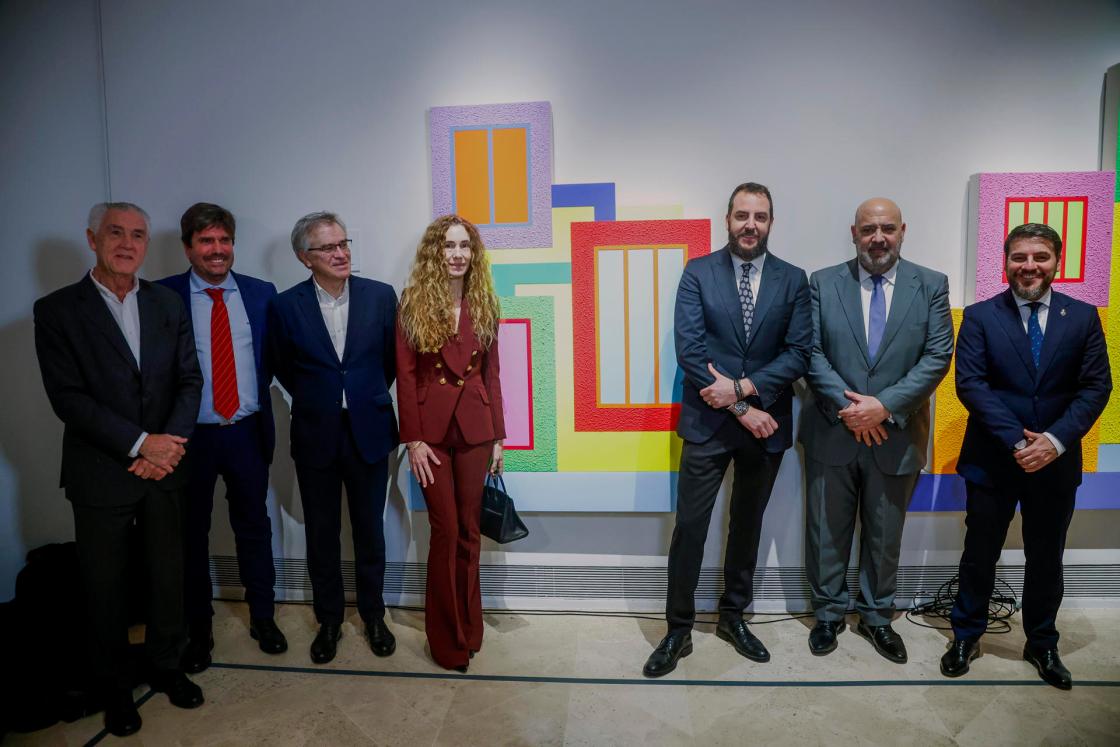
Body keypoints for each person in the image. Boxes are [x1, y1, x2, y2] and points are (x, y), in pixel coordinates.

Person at [33, 202, 204, 736]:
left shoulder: (168, 302)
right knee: (104, 586)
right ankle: (114, 689)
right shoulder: (57, 310)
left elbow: (189, 380)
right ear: (92, 239)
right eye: (115, 233)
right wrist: (139, 444)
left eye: (137, 235)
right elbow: (69, 399)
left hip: (166, 467)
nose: (127, 244)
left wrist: (167, 447)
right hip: (101, 470)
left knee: (166, 575)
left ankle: (167, 667)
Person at [643, 182, 811, 678]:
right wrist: (742, 406)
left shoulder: (793, 279)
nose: (750, 225)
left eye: (760, 216)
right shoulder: (698, 273)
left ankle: (733, 616)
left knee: (747, 526)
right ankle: (677, 627)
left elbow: (798, 352)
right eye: (742, 215)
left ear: (771, 223)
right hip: (709, 423)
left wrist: (741, 388)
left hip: (768, 425)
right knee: (690, 527)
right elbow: (690, 351)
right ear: (728, 218)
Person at [940, 223, 1110, 689]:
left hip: (1056, 465)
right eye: (1019, 257)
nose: (1029, 266)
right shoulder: (979, 316)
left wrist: (1052, 442)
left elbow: (1097, 387)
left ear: (1057, 261)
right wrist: (1020, 442)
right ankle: (966, 635)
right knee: (979, 555)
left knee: (1046, 558)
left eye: (1039, 256)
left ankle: (1042, 643)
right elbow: (970, 385)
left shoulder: (1082, 317)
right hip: (993, 461)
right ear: (1005, 260)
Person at [799, 197, 953, 662]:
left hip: (898, 433)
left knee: (886, 535)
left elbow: (937, 356)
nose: (878, 238)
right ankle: (827, 615)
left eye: (887, 228)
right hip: (833, 428)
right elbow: (809, 352)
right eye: (868, 229)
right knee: (827, 530)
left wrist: (883, 407)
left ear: (903, 230)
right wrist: (853, 409)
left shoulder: (930, 285)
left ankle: (876, 618)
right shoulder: (822, 283)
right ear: (853, 233)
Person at [156, 203, 286, 673]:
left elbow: (279, 359)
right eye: (206, 241)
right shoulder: (162, 296)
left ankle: (264, 619)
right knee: (190, 536)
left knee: (255, 527)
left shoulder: (261, 294)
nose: (217, 250)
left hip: (248, 432)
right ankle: (200, 631)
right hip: (190, 440)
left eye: (224, 240)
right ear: (189, 247)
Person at [265, 211, 398, 664]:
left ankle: (374, 616)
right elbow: (283, 365)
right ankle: (329, 620)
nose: (340, 253)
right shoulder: (285, 306)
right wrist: (323, 396)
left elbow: (390, 362)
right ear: (305, 258)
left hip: (369, 431)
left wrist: (362, 396)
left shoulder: (381, 297)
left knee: (369, 530)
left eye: (344, 243)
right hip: (316, 432)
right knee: (322, 533)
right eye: (328, 247)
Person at [396, 214, 505, 672]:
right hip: (432, 435)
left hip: (477, 430)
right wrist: (414, 439)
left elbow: (492, 374)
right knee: (444, 531)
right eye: (448, 246)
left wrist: (500, 435)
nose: (457, 254)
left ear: (473, 254)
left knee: (470, 531)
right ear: (434, 254)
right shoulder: (412, 303)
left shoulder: (486, 303)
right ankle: (447, 637)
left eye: (464, 246)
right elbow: (404, 375)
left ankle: (471, 627)